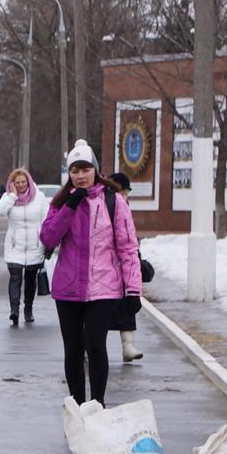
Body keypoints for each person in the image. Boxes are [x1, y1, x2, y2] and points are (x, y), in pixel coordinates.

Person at [39, 141, 142, 406]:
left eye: (85, 168)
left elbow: (129, 247)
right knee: (73, 350)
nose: (80, 175)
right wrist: (70, 206)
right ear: (69, 173)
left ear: (95, 169)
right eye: (75, 170)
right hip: (68, 289)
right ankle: (77, 407)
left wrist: (133, 289)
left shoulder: (113, 201)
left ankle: (97, 406)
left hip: (103, 288)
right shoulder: (61, 202)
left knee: (95, 345)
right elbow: (48, 238)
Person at [0, 167, 48, 326]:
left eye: (23, 182)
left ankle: (28, 309)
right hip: (15, 245)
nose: (21, 185)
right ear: (12, 184)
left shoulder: (40, 197)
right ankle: (14, 311)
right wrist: (12, 196)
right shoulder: (9, 197)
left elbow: (46, 219)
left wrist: (46, 241)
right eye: (17, 183)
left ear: (28, 181)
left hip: (34, 245)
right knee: (15, 277)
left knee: (30, 280)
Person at [106, 171, 145, 363]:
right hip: (103, 268)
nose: (125, 197)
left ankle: (128, 346)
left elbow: (129, 241)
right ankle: (89, 347)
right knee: (98, 311)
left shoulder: (124, 208)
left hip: (123, 268)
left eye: (126, 194)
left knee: (127, 306)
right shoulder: (104, 204)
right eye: (124, 192)